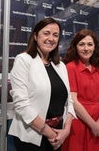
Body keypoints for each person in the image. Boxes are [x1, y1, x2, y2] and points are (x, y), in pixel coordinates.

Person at [8, 17, 76, 151]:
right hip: (32, 136)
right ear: (35, 36)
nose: (51, 38)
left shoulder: (60, 65)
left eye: (55, 35)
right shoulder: (24, 60)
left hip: (59, 133)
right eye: (46, 33)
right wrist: (49, 133)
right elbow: (21, 104)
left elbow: (69, 101)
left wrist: (66, 130)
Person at [61, 29, 99, 151]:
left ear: (95, 47)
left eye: (90, 44)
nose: (86, 48)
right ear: (75, 47)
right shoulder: (70, 67)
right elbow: (73, 101)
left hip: (97, 120)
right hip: (78, 121)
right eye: (81, 44)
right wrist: (93, 125)